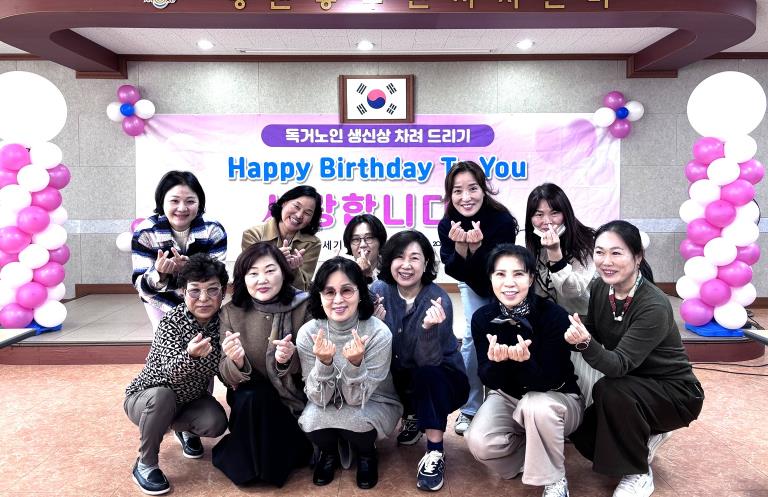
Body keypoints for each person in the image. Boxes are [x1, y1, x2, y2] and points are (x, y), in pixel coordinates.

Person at [565, 220, 704, 497]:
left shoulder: (653, 304)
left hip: (674, 393)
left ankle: (638, 473)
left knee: (609, 389)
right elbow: (593, 327)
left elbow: (617, 366)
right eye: (600, 252)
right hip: (632, 388)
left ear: (638, 257)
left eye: (616, 253)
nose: (606, 261)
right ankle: (647, 433)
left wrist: (585, 343)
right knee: (585, 436)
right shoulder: (600, 287)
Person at [464, 244, 583, 497]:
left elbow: (551, 378)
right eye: (500, 274)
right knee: (479, 442)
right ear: (491, 278)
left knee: (535, 405)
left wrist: (525, 362)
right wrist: (496, 363)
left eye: (518, 274)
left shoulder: (553, 315)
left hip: (556, 398)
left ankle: (555, 479)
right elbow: (488, 378)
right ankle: (533, 455)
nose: (509, 282)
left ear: (530, 278)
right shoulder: (482, 318)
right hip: (508, 396)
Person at [371, 230, 468, 491]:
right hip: (400, 372)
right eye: (399, 257)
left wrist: (427, 330)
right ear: (389, 261)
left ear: (426, 264)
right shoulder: (378, 291)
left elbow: (429, 361)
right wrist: (375, 327)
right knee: (386, 369)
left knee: (426, 374)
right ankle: (412, 414)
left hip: (442, 377)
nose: (406, 265)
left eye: (414, 258)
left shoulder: (438, 300)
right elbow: (372, 348)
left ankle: (435, 450)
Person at [124, 254, 229, 495]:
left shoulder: (224, 324)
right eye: (195, 291)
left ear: (223, 292)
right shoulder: (171, 322)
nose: (204, 298)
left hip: (189, 400)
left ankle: (185, 431)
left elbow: (224, 373)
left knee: (215, 422)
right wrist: (190, 356)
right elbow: (171, 373)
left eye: (212, 290)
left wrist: (237, 364)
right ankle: (145, 464)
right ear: (182, 292)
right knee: (163, 396)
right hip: (146, 399)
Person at [296, 257, 403, 490]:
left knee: (355, 419)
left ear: (360, 293)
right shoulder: (308, 333)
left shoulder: (378, 333)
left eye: (346, 290)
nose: (337, 300)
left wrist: (355, 364)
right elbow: (318, 398)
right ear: (319, 296)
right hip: (327, 401)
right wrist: (324, 363)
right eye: (329, 292)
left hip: (374, 400)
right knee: (310, 420)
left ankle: (367, 453)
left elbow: (356, 399)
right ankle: (328, 453)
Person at [212, 242, 313, 487]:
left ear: (283, 273)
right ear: (243, 278)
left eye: (270, 270)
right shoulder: (230, 312)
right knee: (254, 396)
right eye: (253, 273)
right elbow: (225, 374)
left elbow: (316, 363)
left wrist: (289, 359)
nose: (262, 280)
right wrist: (236, 362)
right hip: (250, 402)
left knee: (266, 401)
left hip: (292, 398)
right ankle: (250, 467)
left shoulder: (304, 306)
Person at [437, 160, 519, 435]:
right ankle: (469, 408)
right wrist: (462, 248)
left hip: (504, 282)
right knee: (473, 336)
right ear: (450, 194)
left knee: (506, 333)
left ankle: (505, 403)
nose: (466, 197)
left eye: (472, 188)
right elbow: (454, 269)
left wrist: (479, 248)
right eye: (458, 191)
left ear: (484, 189)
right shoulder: (447, 223)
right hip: (470, 283)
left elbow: (500, 268)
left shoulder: (502, 220)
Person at [524, 183, 600, 404]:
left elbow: (573, 292)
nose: (547, 221)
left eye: (554, 213)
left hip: (584, 326)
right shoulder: (531, 245)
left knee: (588, 392)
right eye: (539, 214)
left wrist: (555, 254)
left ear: (566, 213)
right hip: (551, 328)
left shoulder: (588, 243)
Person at [132, 171, 227, 331]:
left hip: (202, 297)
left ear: (200, 203)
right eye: (174, 201)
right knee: (167, 340)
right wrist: (159, 273)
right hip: (161, 300)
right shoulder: (145, 232)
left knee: (207, 340)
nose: (182, 208)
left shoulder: (213, 230)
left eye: (190, 201)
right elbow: (140, 286)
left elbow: (219, 277)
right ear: (162, 201)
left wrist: (190, 269)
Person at [241, 185, 322, 291]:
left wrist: (294, 270)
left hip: (292, 299)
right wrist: (276, 259)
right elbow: (249, 275)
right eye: (296, 206)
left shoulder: (312, 243)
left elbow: (303, 287)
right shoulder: (253, 234)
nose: (299, 215)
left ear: (312, 218)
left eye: (307, 213)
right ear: (284, 202)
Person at [342, 213, 388, 283]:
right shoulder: (344, 273)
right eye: (355, 239)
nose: (362, 245)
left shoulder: (392, 271)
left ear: (380, 241)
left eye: (369, 238)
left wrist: (369, 275)